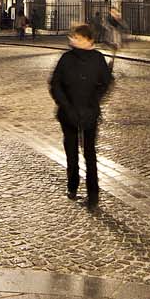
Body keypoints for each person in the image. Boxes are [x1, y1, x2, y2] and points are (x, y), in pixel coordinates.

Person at [49, 23, 114, 206]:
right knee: (71, 153)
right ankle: (72, 185)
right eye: (73, 37)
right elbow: (55, 84)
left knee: (89, 153)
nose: (74, 40)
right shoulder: (66, 58)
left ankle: (93, 194)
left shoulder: (97, 58)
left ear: (88, 40)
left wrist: (94, 101)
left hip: (89, 113)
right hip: (68, 113)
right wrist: (66, 105)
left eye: (78, 37)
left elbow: (106, 83)